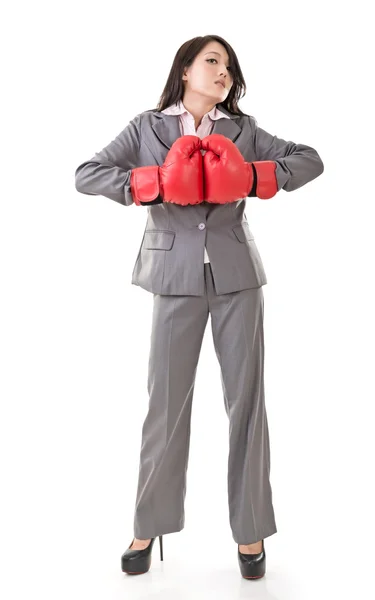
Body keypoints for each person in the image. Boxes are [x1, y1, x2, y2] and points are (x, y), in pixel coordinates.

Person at [74, 34, 324, 579]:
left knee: (247, 406)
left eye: (229, 66)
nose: (223, 72)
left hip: (237, 277)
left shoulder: (243, 129)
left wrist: (259, 175)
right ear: (185, 70)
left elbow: (310, 160)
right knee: (165, 405)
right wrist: (153, 184)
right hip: (171, 275)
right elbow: (87, 173)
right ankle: (148, 524)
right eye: (212, 61)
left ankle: (251, 531)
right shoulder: (148, 127)